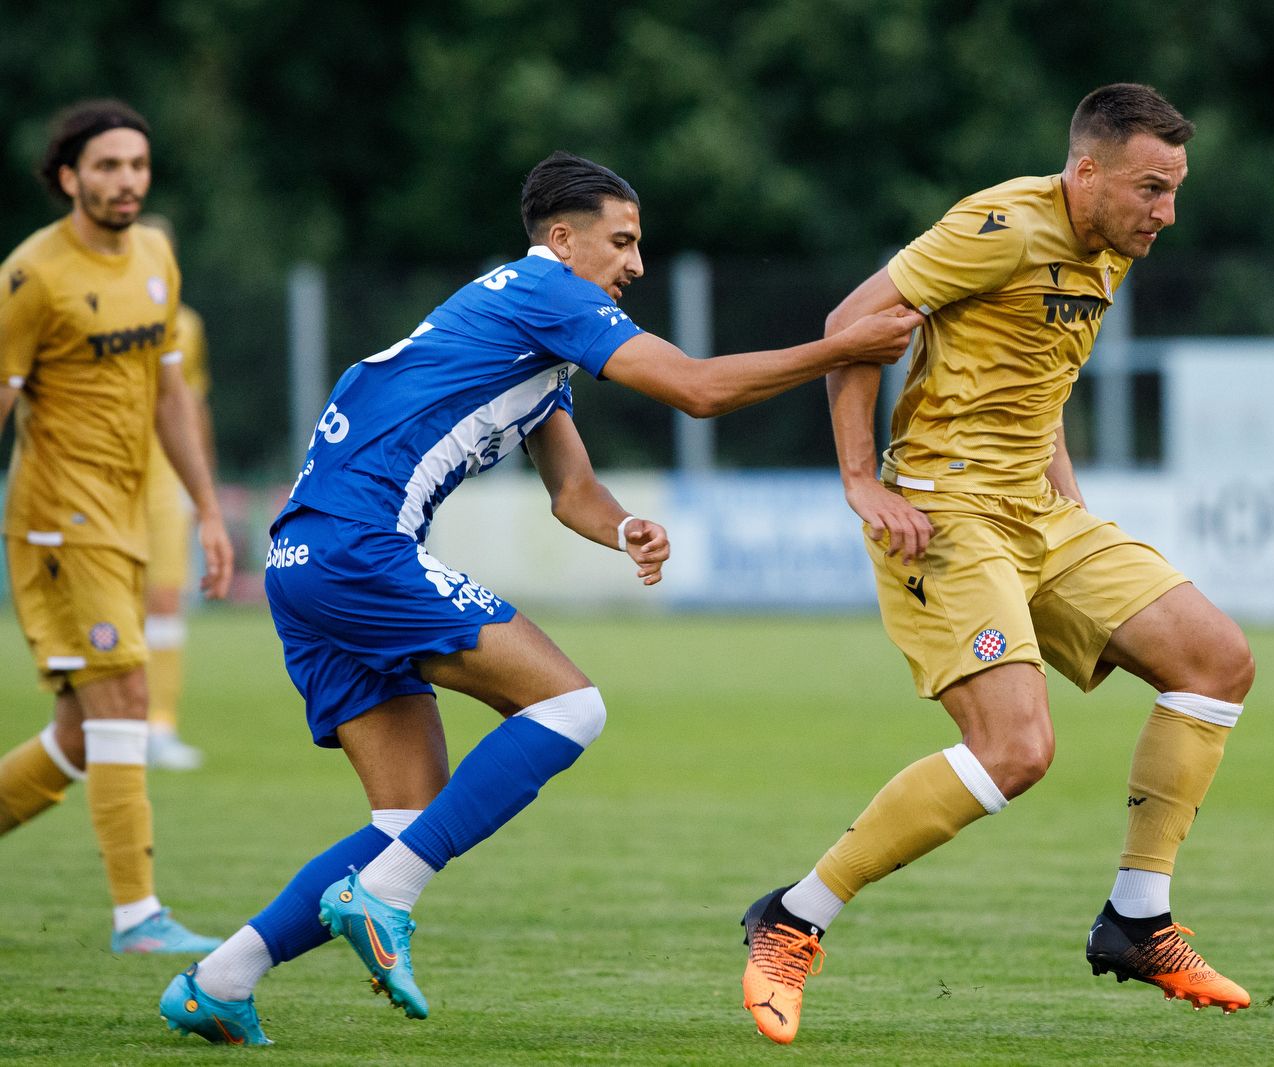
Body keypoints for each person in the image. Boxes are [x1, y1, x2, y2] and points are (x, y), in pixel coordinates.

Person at [158, 150, 923, 1046]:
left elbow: (573, 494)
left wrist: (624, 526)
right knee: (572, 705)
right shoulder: (548, 293)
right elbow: (697, 389)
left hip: (306, 559)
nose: (635, 264)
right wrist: (844, 348)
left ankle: (221, 977)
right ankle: (383, 897)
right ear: (562, 240)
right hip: (358, 548)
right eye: (622, 242)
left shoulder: (524, 329)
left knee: (407, 815)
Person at [738, 84, 1257, 1045]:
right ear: (1087, 171)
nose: (1167, 214)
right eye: (1152, 189)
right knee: (1017, 751)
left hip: (1038, 513)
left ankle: (1138, 919)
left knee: (1216, 659)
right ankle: (794, 916)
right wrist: (862, 480)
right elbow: (853, 324)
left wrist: (1074, 508)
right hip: (944, 511)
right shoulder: (999, 225)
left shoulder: (1110, 244)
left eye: (1175, 190)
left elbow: (1036, 379)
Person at [0, 100, 234, 952]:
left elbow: (172, 392)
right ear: (69, 178)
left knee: (78, 732)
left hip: (130, 512)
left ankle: (139, 914)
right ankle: (139, 916)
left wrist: (207, 509)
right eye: (106, 166)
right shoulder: (31, 276)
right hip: (60, 521)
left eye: (136, 165)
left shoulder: (157, 256)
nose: (126, 180)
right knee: (126, 696)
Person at [139, 214, 217, 771]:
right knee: (112, 607)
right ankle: (110, 722)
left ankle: (159, 726)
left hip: (166, 481)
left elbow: (191, 407)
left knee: (165, 601)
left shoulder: (184, 325)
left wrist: (203, 489)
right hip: (106, 476)